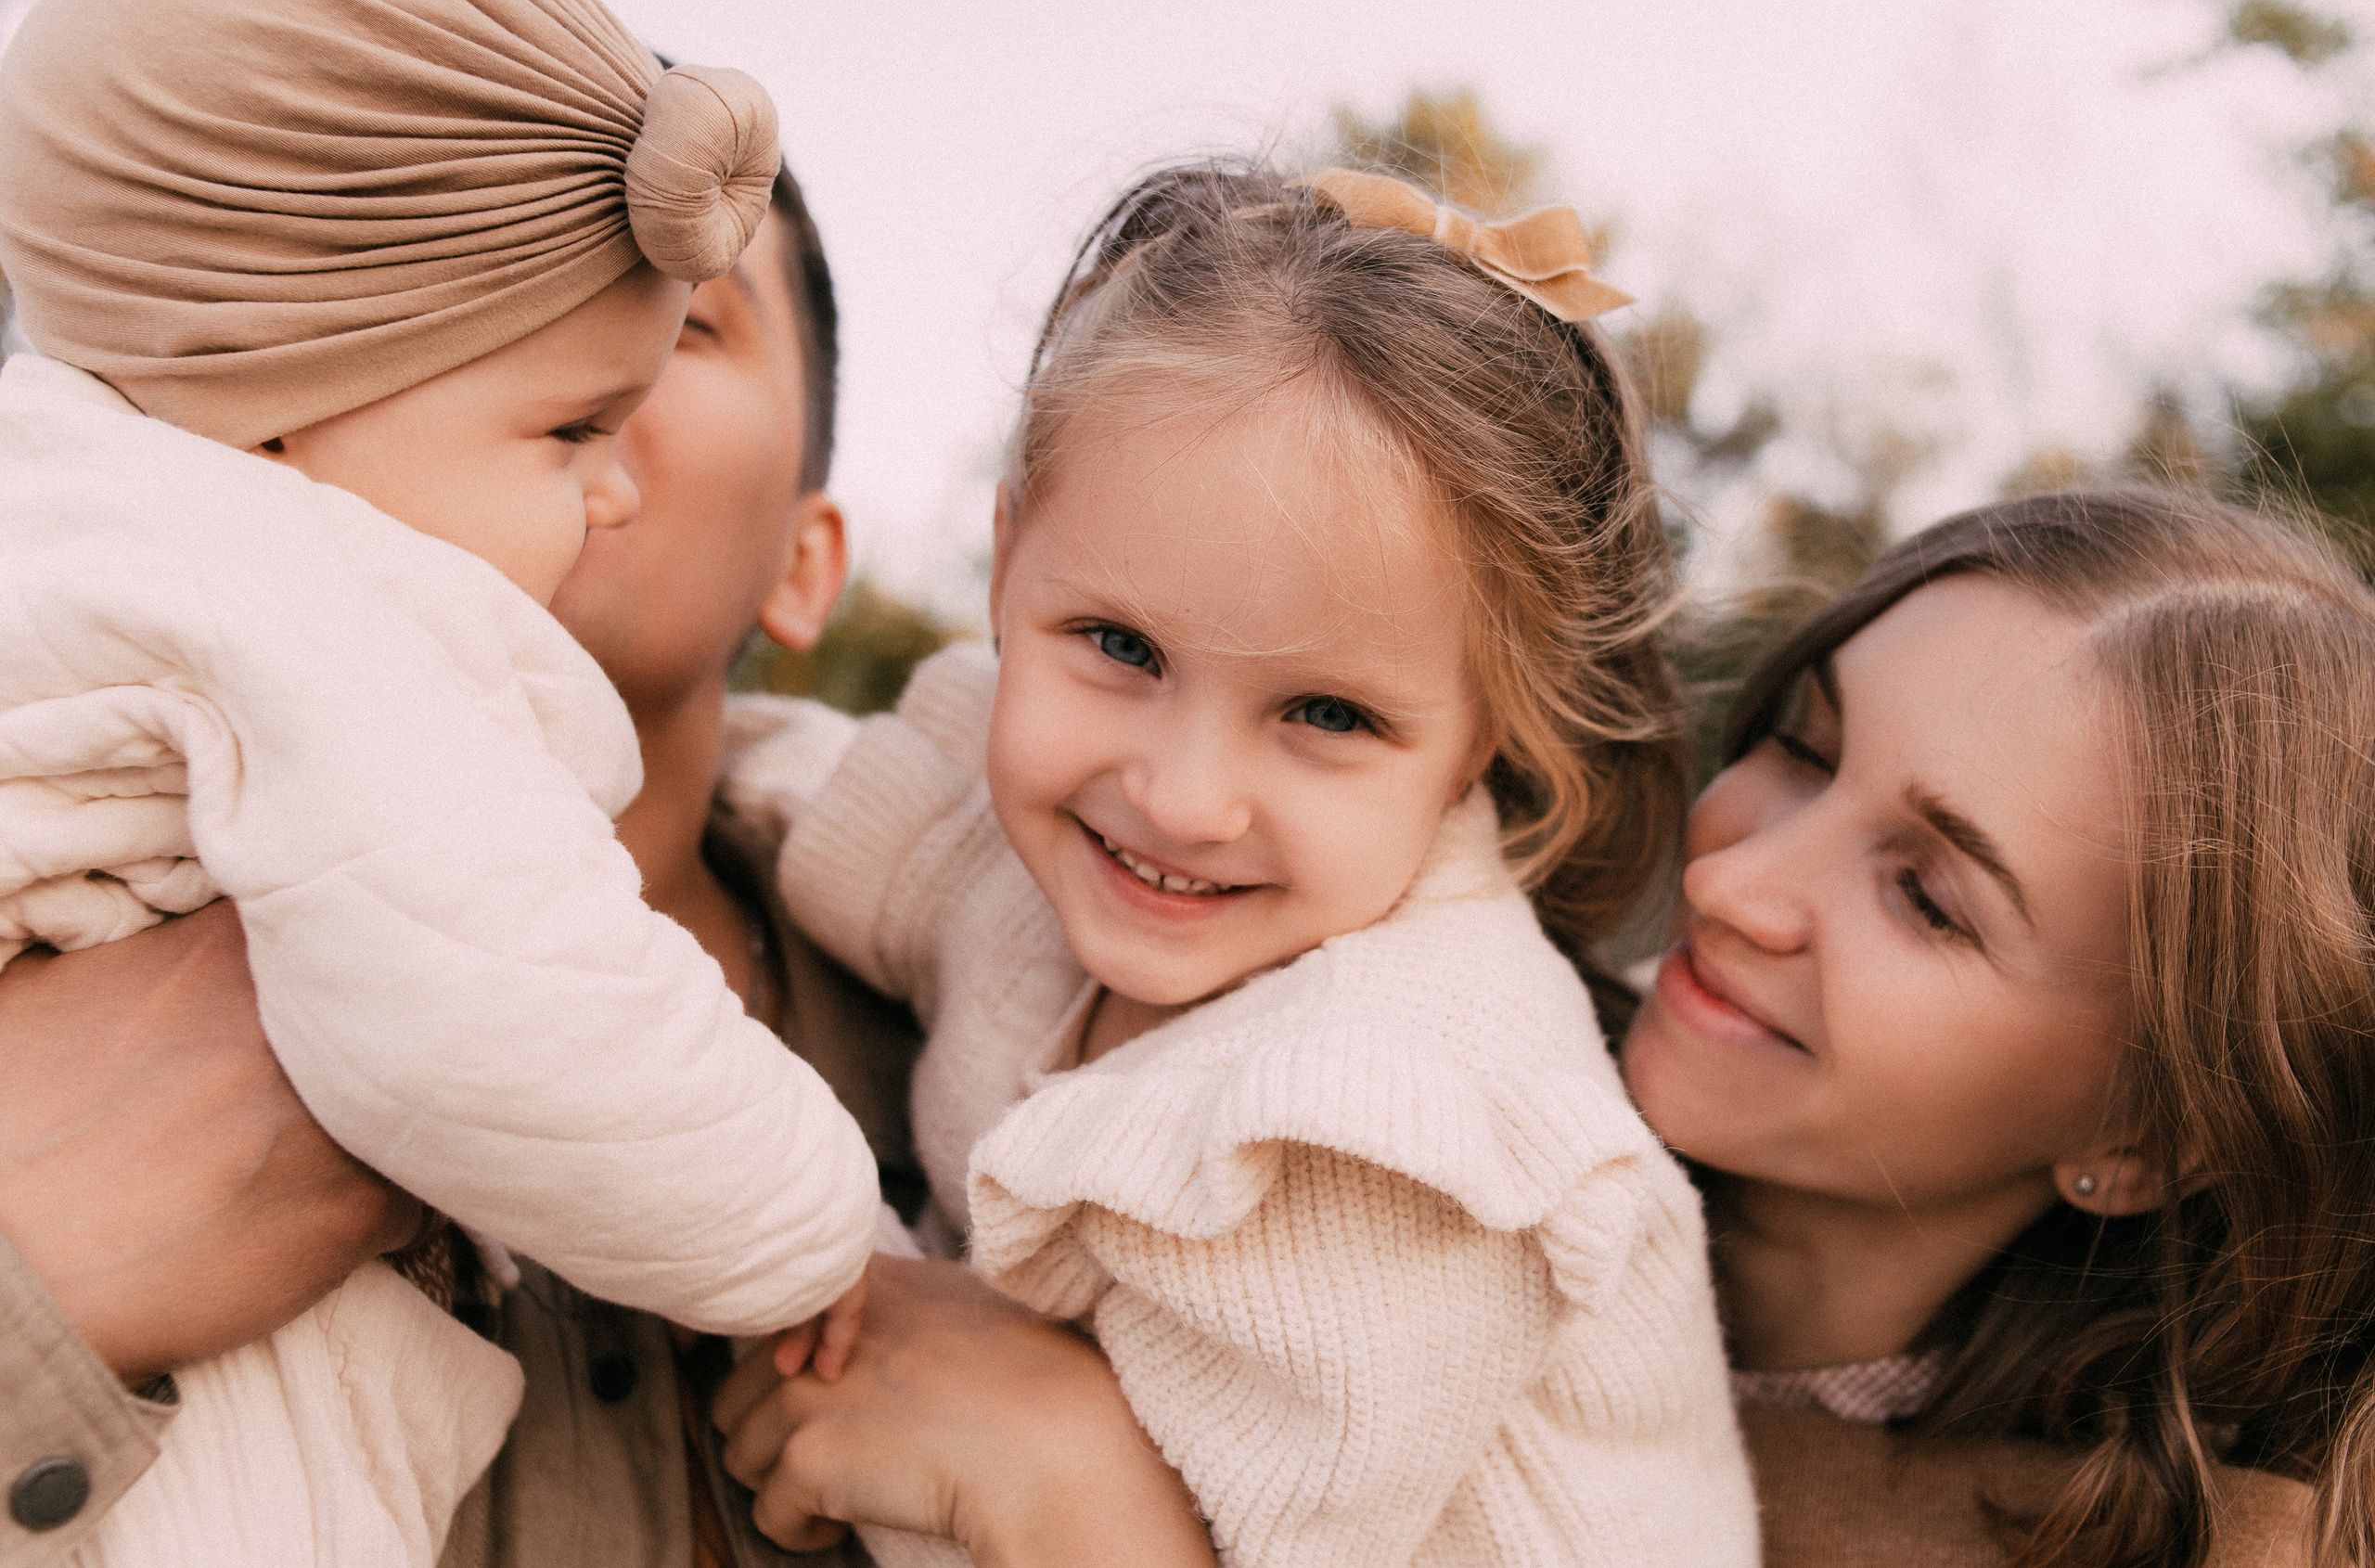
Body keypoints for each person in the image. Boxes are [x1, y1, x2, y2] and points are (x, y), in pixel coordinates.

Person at [724, 488, 2369, 1568]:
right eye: (1801, 746)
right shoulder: (1392, 1040)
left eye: (1930, 898)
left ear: (2142, 1136)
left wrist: (1080, 1503)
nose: (1741, 887)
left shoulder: (2189, 1547)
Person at [759, 162, 1755, 1566]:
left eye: (1328, 715)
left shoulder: (1396, 1121)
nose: (1180, 798)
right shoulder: (1033, 844)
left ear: (1482, 742)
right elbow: (846, 827)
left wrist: (859, 1312)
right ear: (1007, 568)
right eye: (1118, 646)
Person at [0, 0, 875, 1562]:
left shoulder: (986, 1029)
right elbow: (506, 1001)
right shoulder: (301, 631)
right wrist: (815, 1225)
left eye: (693, 334)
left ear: (809, 566)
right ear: (278, 409)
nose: (609, 480)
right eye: (566, 414)